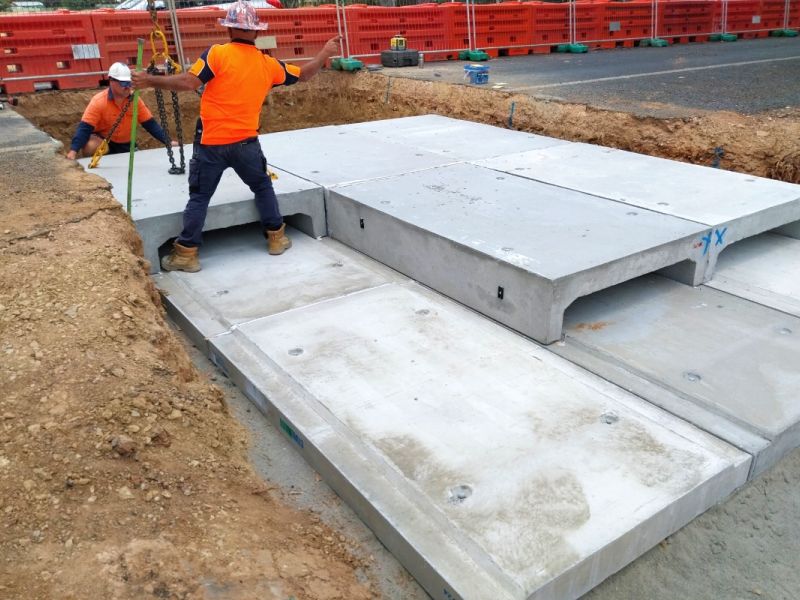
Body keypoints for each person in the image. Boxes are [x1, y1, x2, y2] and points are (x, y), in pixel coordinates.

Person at [131, 0, 340, 273]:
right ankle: (276, 237)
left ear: (229, 29)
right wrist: (324, 51)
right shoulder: (267, 64)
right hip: (246, 144)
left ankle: (186, 254)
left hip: (211, 145)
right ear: (255, 33)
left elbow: (188, 82)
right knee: (262, 187)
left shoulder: (217, 54)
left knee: (200, 197)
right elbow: (304, 75)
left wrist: (149, 81)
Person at [66, 62, 174, 160]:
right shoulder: (99, 102)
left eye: (129, 83)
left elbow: (150, 124)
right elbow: (84, 128)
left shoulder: (135, 100)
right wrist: (73, 151)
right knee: (91, 146)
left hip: (126, 144)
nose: (127, 87)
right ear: (112, 81)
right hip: (104, 143)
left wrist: (168, 141)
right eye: (123, 83)